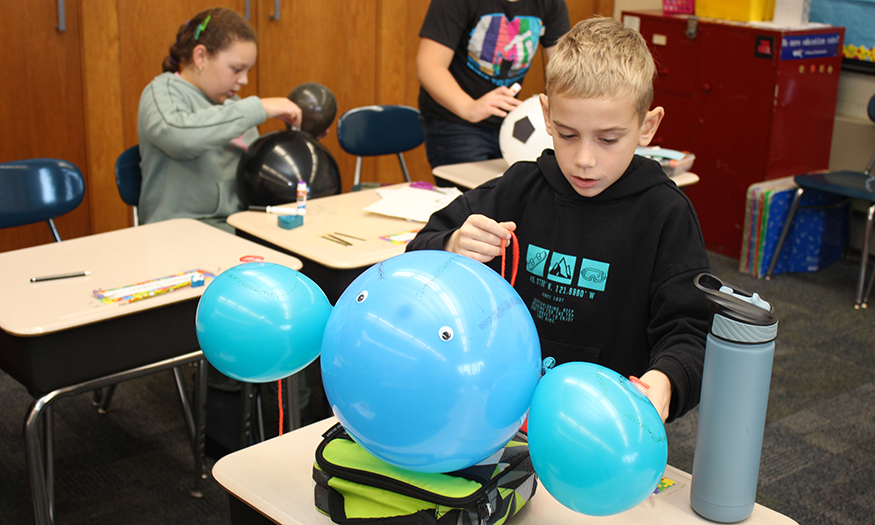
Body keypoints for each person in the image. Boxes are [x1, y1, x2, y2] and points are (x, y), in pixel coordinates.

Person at [407, 16, 711, 423]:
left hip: (601, 426)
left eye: (608, 139)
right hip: (502, 416)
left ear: (648, 126)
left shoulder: (664, 213)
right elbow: (421, 246)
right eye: (567, 134)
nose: (584, 159)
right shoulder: (519, 188)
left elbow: (690, 328)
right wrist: (453, 245)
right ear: (546, 115)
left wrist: (667, 380)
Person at [137, 7, 302, 233]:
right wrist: (258, 108)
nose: (243, 80)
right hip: (178, 233)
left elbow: (253, 166)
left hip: (236, 227)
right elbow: (178, 136)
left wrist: (296, 143)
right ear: (201, 56)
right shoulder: (162, 92)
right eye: (236, 69)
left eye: (248, 71)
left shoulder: (233, 104)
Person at [416, 0, 570, 171]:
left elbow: (566, 68)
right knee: (471, 195)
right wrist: (469, 107)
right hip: (456, 122)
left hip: (509, 123)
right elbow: (429, 65)